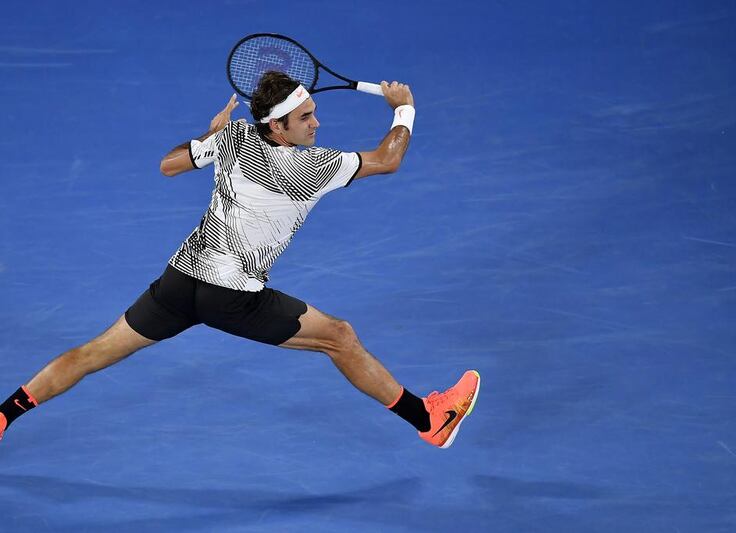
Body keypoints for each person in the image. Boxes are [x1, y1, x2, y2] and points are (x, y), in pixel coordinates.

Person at [0, 71, 480, 449]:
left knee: (89, 354)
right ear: (277, 125)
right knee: (340, 338)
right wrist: (405, 110)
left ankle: (4, 415)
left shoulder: (233, 139)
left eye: (314, 113)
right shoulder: (314, 167)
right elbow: (388, 159)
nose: (317, 124)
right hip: (232, 296)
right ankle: (430, 420)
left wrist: (210, 138)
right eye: (306, 118)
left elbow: (168, 164)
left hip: (178, 283)